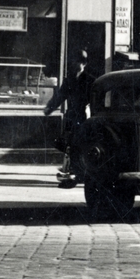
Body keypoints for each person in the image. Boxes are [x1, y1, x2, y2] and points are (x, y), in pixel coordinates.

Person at [44, 49, 97, 188]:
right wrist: (50, 107)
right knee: (70, 145)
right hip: (72, 116)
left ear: (84, 63)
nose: (76, 64)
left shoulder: (90, 80)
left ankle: (78, 173)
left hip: (84, 117)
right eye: (74, 61)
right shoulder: (70, 80)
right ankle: (75, 172)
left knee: (79, 145)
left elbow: (95, 100)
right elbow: (60, 96)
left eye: (79, 62)